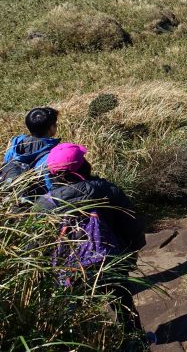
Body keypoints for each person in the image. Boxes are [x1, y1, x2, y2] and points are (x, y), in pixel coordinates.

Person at [37, 143, 149, 345]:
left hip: (69, 270)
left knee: (76, 313)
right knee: (122, 302)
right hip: (109, 260)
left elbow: (39, 243)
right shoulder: (105, 189)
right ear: (83, 166)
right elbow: (131, 222)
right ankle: (136, 343)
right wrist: (133, 250)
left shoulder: (45, 203)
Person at [1, 107, 61, 194]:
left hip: (12, 194)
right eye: (55, 124)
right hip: (40, 200)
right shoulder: (53, 154)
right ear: (51, 128)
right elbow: (52, 187)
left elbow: (6, 164)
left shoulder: (16, 144)